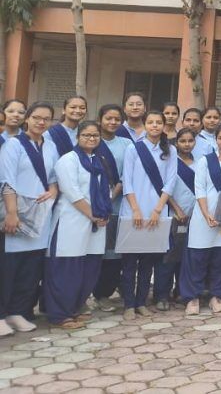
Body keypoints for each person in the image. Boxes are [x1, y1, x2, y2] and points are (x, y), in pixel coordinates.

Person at [44, 120, 110, 330]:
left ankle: (74, 308)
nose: (91, 139)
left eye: (95, 136)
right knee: (66, 269)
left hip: (96, 224)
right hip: (72, 222)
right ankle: (59, 314)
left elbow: (105, 190)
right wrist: (93, 215)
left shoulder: (99, 161)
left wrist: (103, 213)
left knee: (88, 268)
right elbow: (72, 191)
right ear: (78, 138)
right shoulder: (68, 160)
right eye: (86, 135)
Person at [0, 101, 59, 334]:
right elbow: (7, 181)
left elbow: (54, 176)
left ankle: (18, 311)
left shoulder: (50, 146)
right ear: (28, 118)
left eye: (46, 118)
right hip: (17, 213)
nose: (41, 122)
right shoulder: (13, 145)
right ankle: (1, 314)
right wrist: (12, 215)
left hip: (41, 214)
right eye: (36, 117)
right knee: (9, 267)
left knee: (32, 265)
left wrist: (53, 190)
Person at [181, 125, 221, 316]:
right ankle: (192, 297)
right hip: (204, 217)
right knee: (197, 257)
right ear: (215, 140)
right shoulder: (205, 161)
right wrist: (205, 213)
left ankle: (217, 295)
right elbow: (199, 188)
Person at [120, 110, 177, 320]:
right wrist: (135, 209)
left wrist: (158, 209)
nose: (155, 126)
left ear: (164, 126)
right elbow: (127, 180)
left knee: (147, 262)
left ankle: (141, 302)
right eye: (151, 122)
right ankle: (128, 304)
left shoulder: (169, 150)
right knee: (129, 263)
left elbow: (170, 182)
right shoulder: (134, 148)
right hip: (133, 211)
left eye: (158, 122)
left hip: (157, 213)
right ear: (144, 125)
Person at [89, 104, 132, 312]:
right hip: (93, 207)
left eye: (117, 119)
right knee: (97, 251)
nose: (113, 122)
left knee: (115, 253)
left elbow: (127, 174)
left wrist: (112, 195)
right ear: (100, 119)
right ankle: (94, 292)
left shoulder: (126, 144)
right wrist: (102, 199)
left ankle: (106, 292)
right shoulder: (92, 140)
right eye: (108, 118)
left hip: (118, 206)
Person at [154, 129, 197, 310]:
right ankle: (161, 294)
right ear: (176, 143)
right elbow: (165, 187)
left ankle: (181, 291)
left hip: (194, 216)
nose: (187, 144)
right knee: (168, 256)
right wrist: (176, 208)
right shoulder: (170, 163)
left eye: (190, 141)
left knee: (186, 256)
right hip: (172, 214)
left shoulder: (200, 163)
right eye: (183, 141)